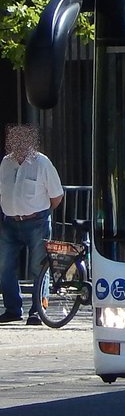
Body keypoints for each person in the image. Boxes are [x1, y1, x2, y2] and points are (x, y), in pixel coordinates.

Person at [0, 124, 64, 324]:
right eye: (14, 139)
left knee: (39, 267)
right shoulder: (5, 163)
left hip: (37, 222)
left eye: (22, 139)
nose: (18, 143)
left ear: (30, 142)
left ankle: (37, 311)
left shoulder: (42, 163)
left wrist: (42, 213)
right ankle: (13, 310)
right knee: (4, 266)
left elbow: (57, 195)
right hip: (9, 222)